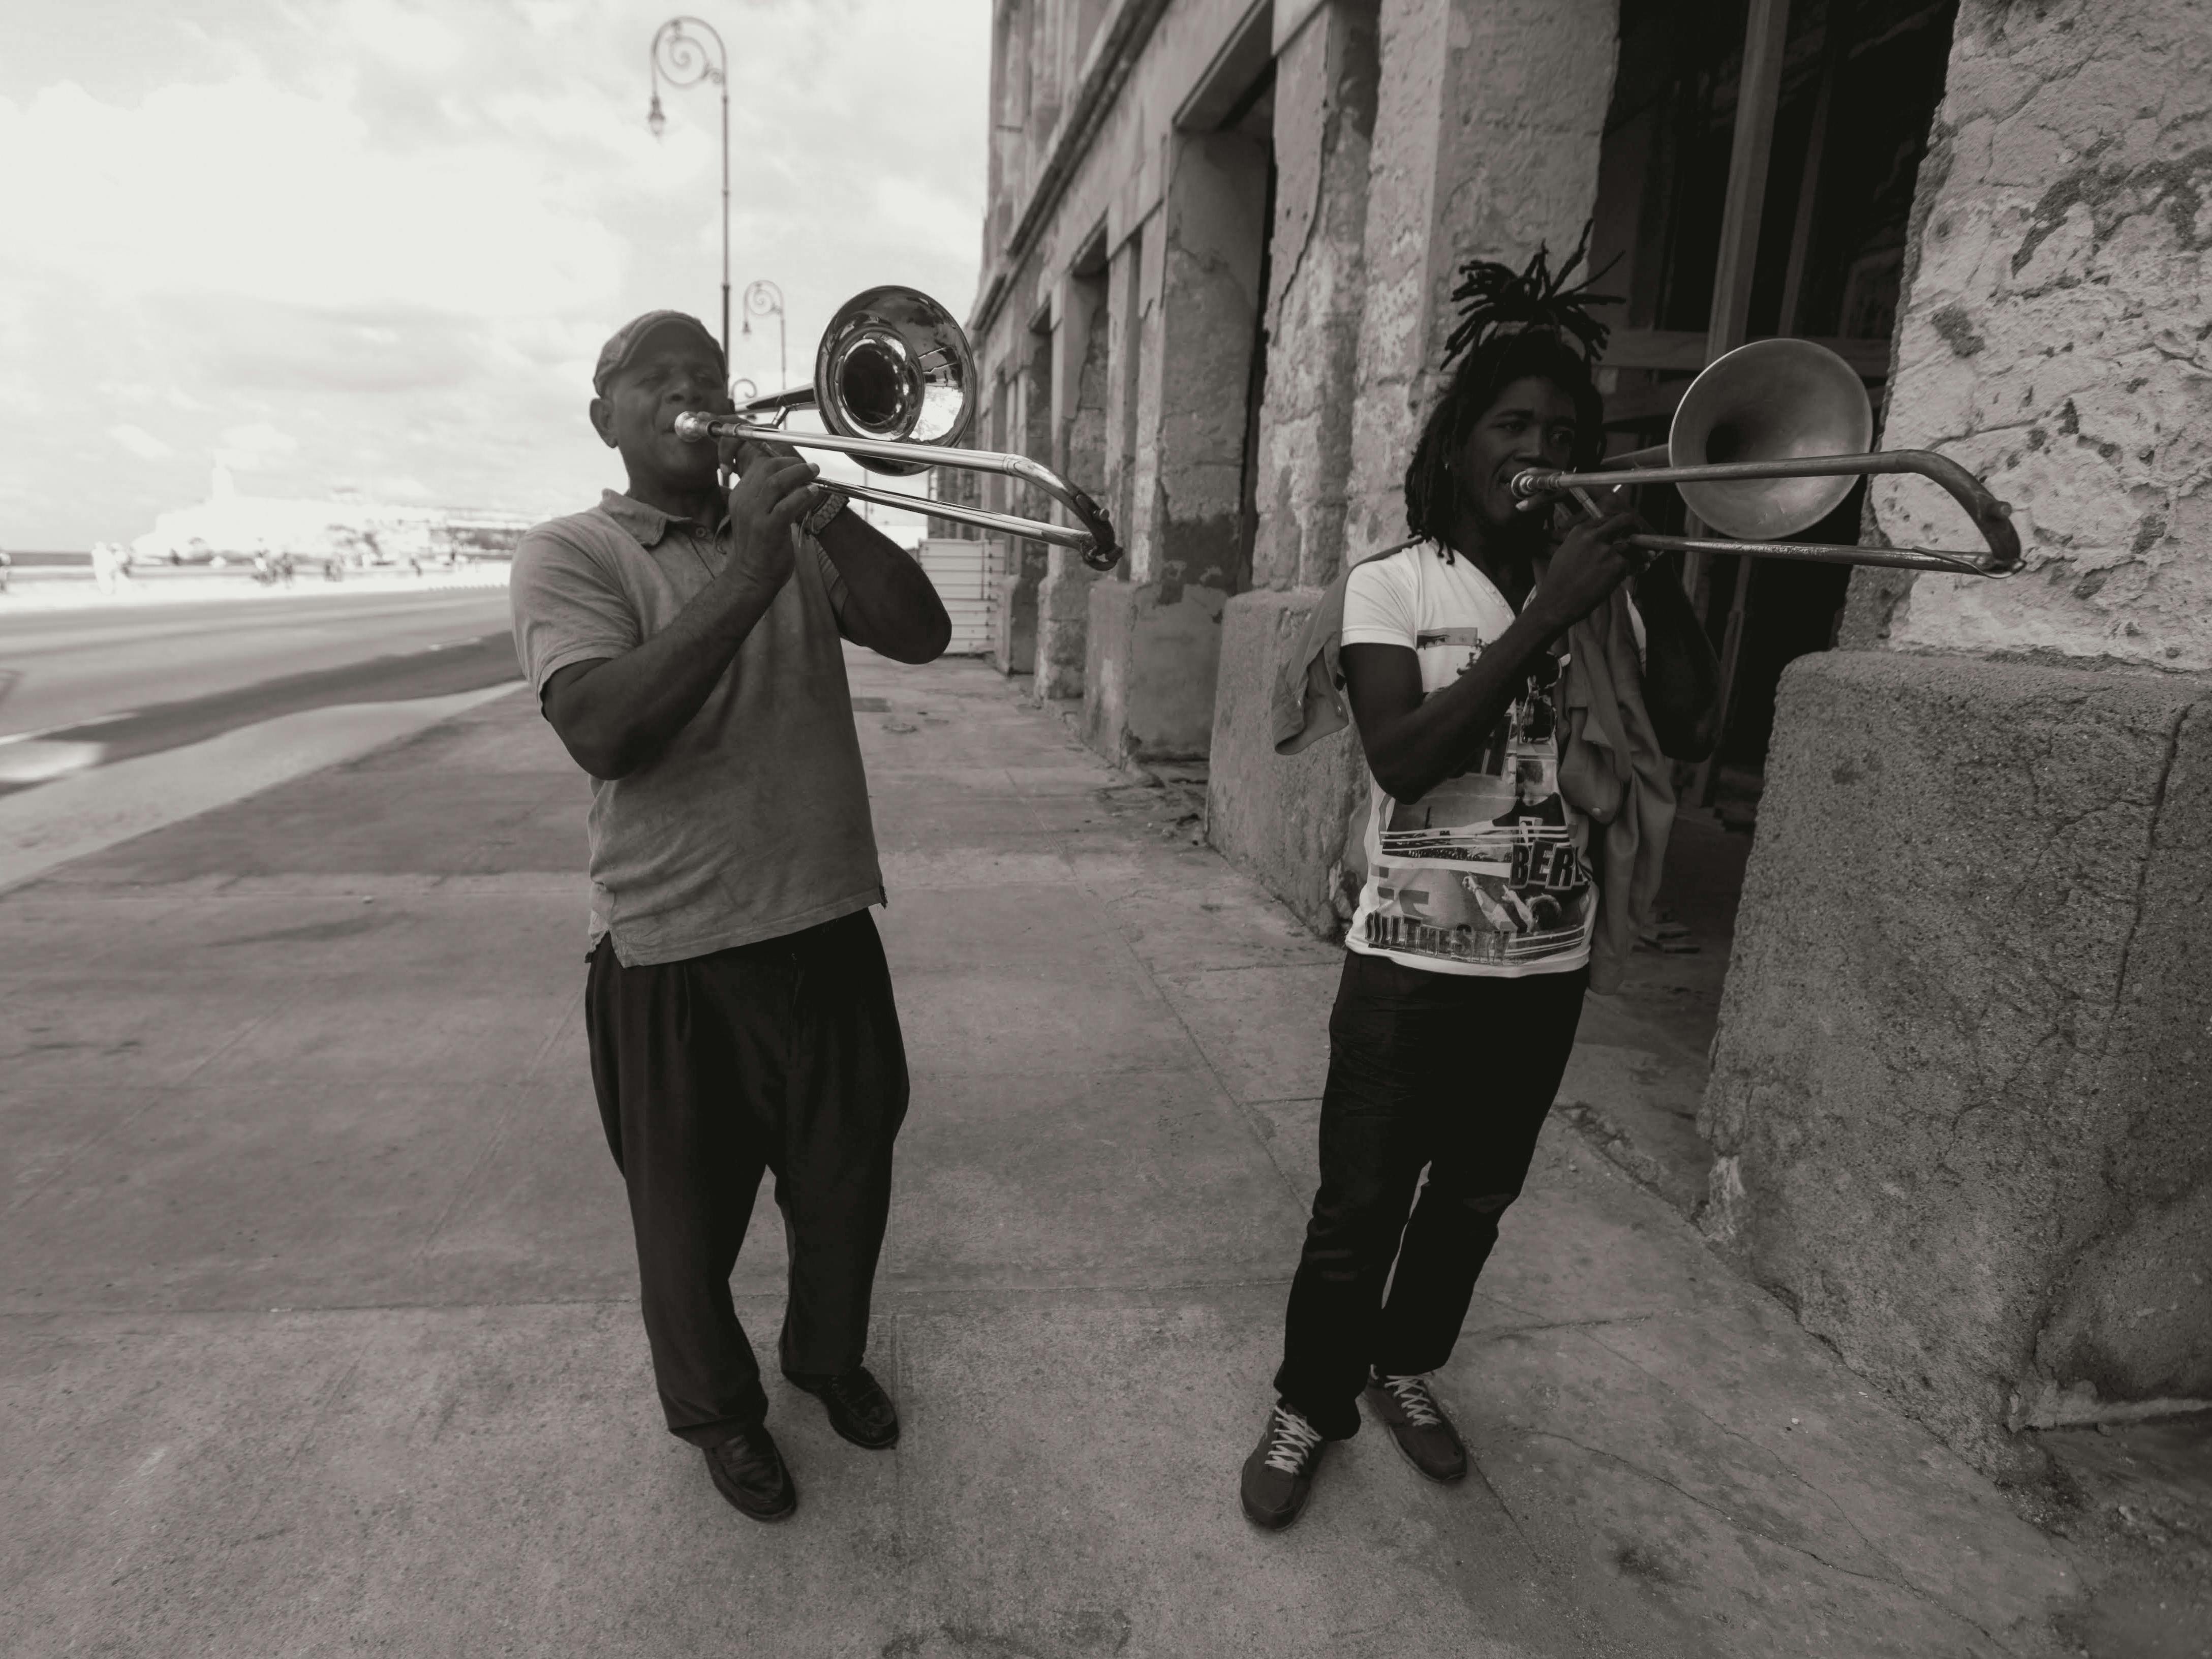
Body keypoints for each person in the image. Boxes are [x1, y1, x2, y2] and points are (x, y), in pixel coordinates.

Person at [1241, 237, 1721, 1530]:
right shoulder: (1392, 587)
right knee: (1359, 1205)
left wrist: (1657, 579)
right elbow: (1403, 757)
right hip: (1407, 969)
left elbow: (1688, 720)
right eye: (1513, 421)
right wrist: (1541, 620)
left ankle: (1404, 1365)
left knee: (1472, 1200)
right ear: (1459, 443)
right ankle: (1310, 1397)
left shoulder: (1600, 595)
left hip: (1540, 974)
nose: (1540, 443)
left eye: (1565, 427)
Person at [509, 310, 950, 1524]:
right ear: (603, 415)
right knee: (685, 1233)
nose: (692, 395)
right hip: (674, 954)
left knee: (847, 1189)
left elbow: (924, 632)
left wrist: (830, 511)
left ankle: (823, 1359)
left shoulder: (793, 534)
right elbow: (602, 727)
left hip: (824, 927)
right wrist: (755, 564)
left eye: (708, 376)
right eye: (657, 380)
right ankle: (722, 1415)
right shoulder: (573, 554)